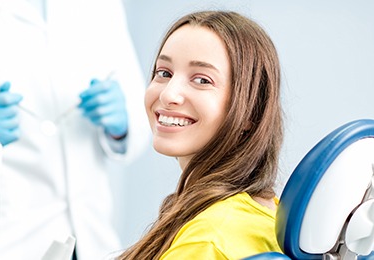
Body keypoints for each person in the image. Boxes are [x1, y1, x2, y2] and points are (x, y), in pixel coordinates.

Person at [118, 10, 284, 260]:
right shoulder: (267, 209)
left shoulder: (208, 240)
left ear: (251, 110)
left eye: (202, 80)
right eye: (164, 73)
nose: (168, 95)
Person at [0, 0, 149, 259]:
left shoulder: (104, 7)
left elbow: (140, 120)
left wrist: (122, 123)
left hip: (91, 233)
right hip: (12, 236)